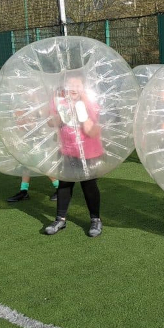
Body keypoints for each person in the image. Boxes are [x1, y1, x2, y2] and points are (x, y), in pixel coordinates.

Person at [44, 75, 104, 237]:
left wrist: (81, 112)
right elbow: (51, 122)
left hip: (88, 151)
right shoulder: (59, 101)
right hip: (67, 150)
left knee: (89, 185)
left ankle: (95, 219)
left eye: (77, 84)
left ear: (83, 87)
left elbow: (93, 131)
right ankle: (60, 219)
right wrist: (62, 115)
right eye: (70, 84)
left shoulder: (90, 102)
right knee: (64, 184)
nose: (73, 88)